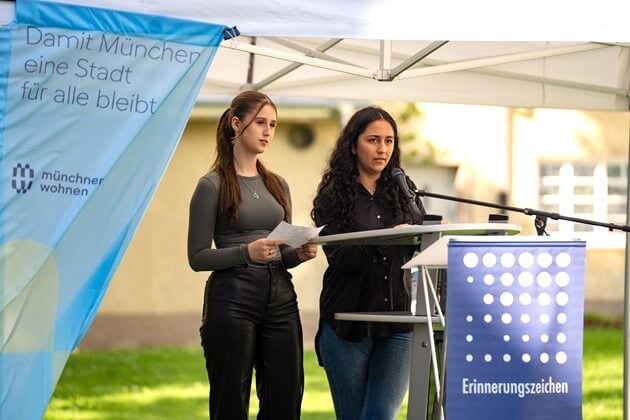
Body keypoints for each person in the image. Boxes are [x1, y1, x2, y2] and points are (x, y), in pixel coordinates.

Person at [187, 90, 317, 420]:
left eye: (272, 124)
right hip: (232, 299)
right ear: (236, 124)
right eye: (260, 122)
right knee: (231, 400)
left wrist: (298, 253)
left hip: (280, 296)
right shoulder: (211, 185)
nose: (268, 131)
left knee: (286, 398)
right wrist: (247, 252)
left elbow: (280, 253)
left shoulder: (277, 185)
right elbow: (197, 257)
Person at [311, 106, 426, 420]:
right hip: (348, 322)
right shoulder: (332, 197)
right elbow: (342, 257)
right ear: (353, 145)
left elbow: (422, 245)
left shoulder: (403, 190)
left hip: (399, 322)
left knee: (380, 415)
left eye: (389, 141)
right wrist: (387, 237)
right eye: (373, 140)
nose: (382, 149)